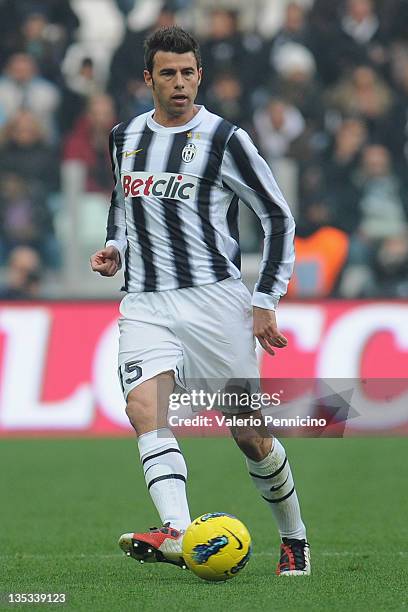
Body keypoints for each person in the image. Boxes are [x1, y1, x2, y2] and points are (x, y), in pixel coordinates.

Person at [90, 26, 310, 576]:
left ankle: (294, 537)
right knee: (145, 411)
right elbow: (122, 205)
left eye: (189, 72)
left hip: (215, 304)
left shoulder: (225, 139)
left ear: (200, 76)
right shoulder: (124, 136)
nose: (180, 82)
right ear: (149, 79)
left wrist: (266, 298)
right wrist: (116, 245)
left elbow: (277, 216)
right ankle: (181, 534)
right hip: (145, 303)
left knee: (251, 436)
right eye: (168, 73)